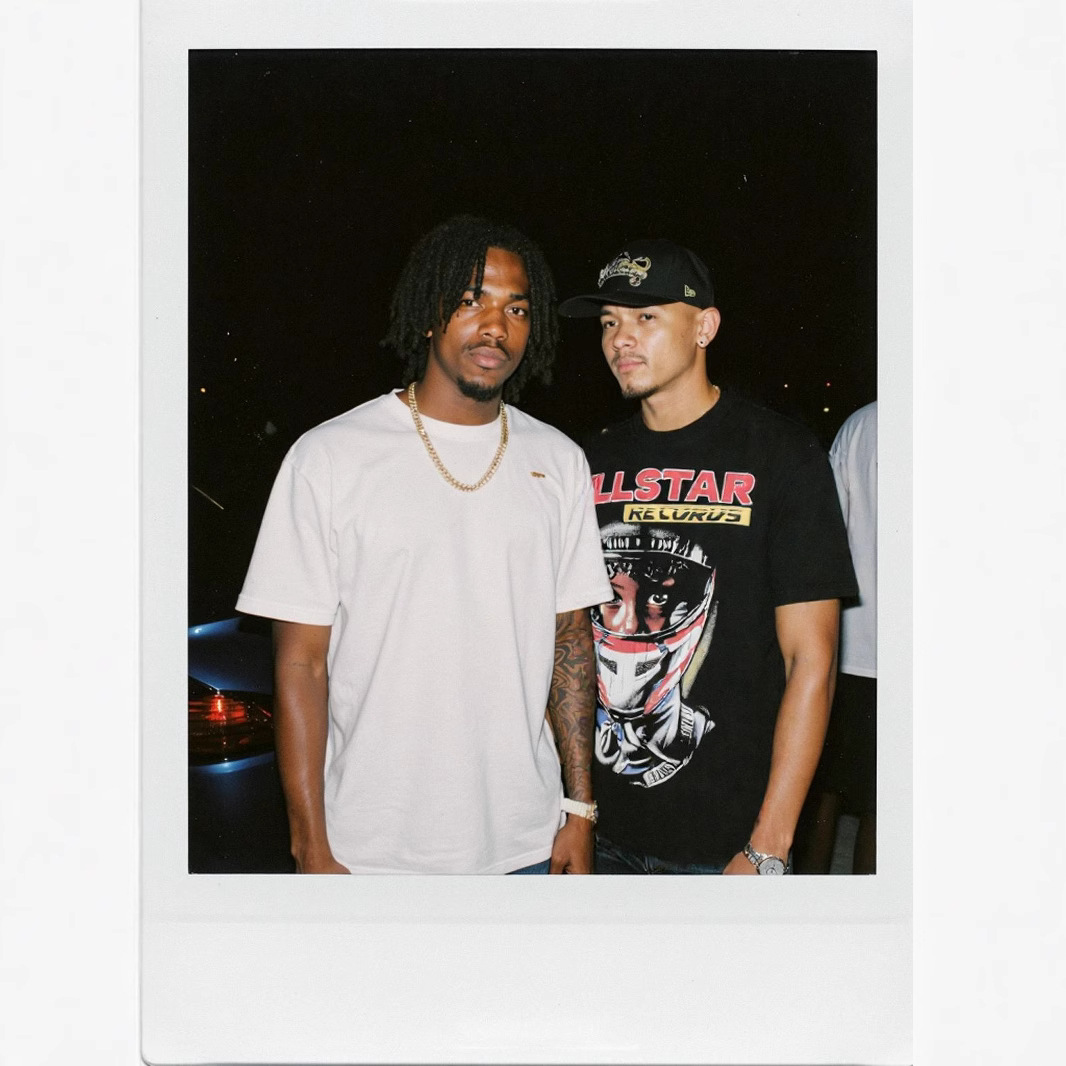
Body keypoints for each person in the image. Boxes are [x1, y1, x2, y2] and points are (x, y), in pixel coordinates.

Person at [236, 215, 611, 874]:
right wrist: (309, 842)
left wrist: (579, 810)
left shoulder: (558, 460)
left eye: (517, 309)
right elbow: (301, 664)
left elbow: (570, 638)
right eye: (471, 300)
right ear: (428, 315)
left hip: (524, 845)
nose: (496, 327)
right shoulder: (330, 457)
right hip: (369, 851)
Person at [558, 239, 858, 874]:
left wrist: (769, 844)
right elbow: (569, 643)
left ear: (705, 327)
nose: (620, 339)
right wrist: (574, 811)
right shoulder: (586, 461)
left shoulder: (781, 455)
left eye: (646, 317)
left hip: (726, 844)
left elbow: (813, 659)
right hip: (600, 832)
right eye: (609, 322)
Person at [794, 401, 877, 874]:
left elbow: (827, 530)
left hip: (851, 644)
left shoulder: (861, 424)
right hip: (892, 653)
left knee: (825, 789)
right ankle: (873, 909)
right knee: (884, 805)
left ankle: (810, 904)